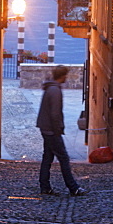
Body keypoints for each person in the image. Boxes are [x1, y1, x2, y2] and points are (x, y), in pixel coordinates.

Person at [36, 65, 85, 196]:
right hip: (52, 131)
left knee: (47, 158)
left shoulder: (50, 88)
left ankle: (45, 186)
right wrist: (58, 130)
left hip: (45, 128)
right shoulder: (55, 91)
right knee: (63, 158)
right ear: (62, 76)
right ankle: (73, 188)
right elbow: (55, 113)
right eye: (66, 76)